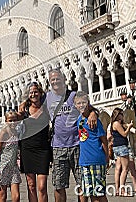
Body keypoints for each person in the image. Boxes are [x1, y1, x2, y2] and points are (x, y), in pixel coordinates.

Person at [45, 68, 98, 202]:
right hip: (58, 147)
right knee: (59, 185)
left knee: (83, 183)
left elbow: (90, 109)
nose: (55, 81)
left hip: (77, 145)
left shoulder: (73, 95)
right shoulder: (47, 97)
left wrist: (92, 114)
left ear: (63, 79)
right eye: (52, 79)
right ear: (49, 82)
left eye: (57, 78)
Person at [18, 81, 51, 202]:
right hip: (27, 149)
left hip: (42, 149)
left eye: (35, 92)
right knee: (31, 185)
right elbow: (12, 123)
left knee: (42, 187)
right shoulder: (24, 110)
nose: (33, 94)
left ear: (40, 93)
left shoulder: (46, 107)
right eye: (31, 92)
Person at [74, 91, 108, 202]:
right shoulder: (79, 120)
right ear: (75, 105)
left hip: (96, 160)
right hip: (84, 161)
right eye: (78, 103)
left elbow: (104, 140)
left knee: (98, 194)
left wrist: (107, 157)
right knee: (86, 193)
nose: (81, 105)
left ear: (88, 103)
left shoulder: (94, 121)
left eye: (83, 102)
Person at [0, 110, 22, 202]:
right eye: (10, 120)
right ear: (6, 121)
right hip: (3, 167)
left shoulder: (16, 132)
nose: (13, 122)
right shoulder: (3, 133)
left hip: (13, 167)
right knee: (3, 195)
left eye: (14, 120)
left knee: (16, 196)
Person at [111, 108, 134, 196]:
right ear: (118, 115)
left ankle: (117, 189)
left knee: (118, 169)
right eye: (121, 114)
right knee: (125, 169)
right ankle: (122, 190)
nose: (122, 116)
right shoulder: (116, 123)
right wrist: (129, 127)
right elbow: (124, 134)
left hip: (117, 147)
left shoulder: (114, 123)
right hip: (121, 147)